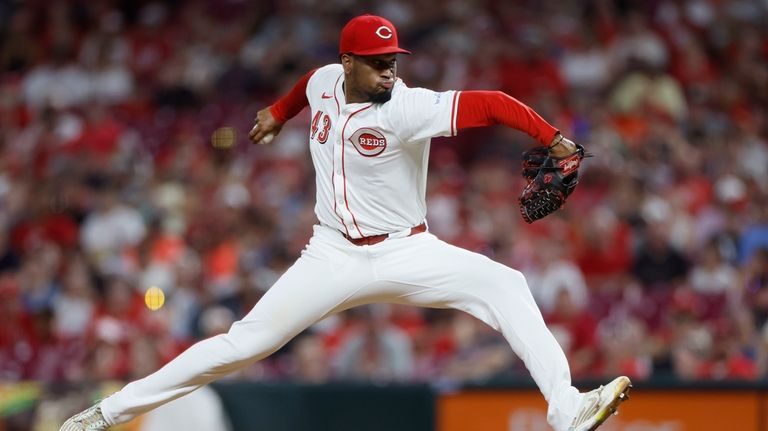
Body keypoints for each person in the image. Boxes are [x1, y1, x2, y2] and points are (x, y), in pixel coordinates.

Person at [61, 14, 630, 431]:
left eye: (394, 61)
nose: (390, 71)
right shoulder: (323, 81)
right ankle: (103, 415)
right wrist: (276, 114)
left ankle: (567, 408)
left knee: (507, 283)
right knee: (241, 344)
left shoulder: (408, 107)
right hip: (330, 255)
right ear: (349, 62)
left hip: (408, 251)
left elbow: (495, 103)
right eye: (379, 63)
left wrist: (555, 140)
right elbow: (302, 90)